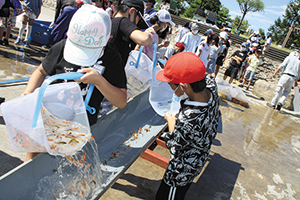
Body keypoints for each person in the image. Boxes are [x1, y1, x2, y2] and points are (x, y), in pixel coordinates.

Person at [22, 5, 127, 162]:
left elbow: (121, 101)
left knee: (69, 162)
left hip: (80, 127)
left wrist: (99, 81)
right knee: (35, 150)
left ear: (108, 39)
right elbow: (41, 71)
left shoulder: (112, 59)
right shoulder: (62, 47)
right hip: (49, 117)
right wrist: (28, 93)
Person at [155, 52, 220, 200]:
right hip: (200, 155)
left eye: (172, 86)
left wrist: (171, 122)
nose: (172, 90)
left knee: (166, 196)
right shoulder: (211, 84)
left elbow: (175, 146)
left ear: (183, 86)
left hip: (181, 171)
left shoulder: (189, 118)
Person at [108, 0, 152, 67]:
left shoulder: (109, 22)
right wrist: (149, 34)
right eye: (139, 19)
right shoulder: (123, 21)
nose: (136, 25)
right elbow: (144, 40)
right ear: (132, 11)